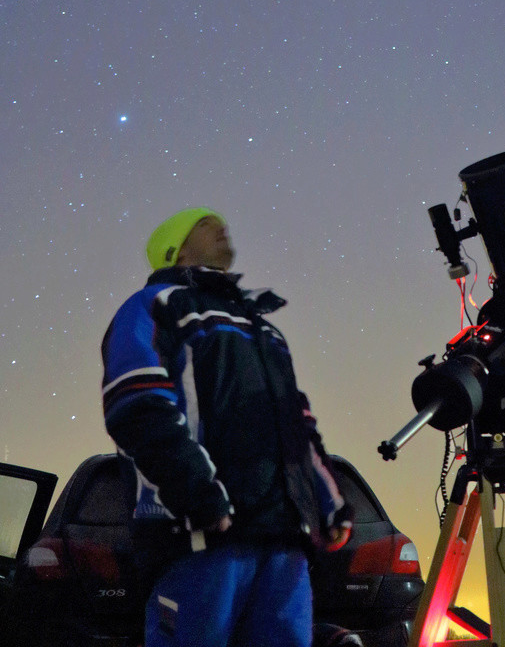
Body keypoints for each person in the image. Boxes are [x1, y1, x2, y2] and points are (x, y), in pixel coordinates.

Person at [101, 207, 352, 647]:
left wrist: (328, 503)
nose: (219, 226)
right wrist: (200, 498)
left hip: (283, 542)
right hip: (202, 538)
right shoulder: (154, 306)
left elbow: (298, 423)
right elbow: (136, 404)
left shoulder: (264, 330)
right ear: (173, 252)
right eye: (203, 224)